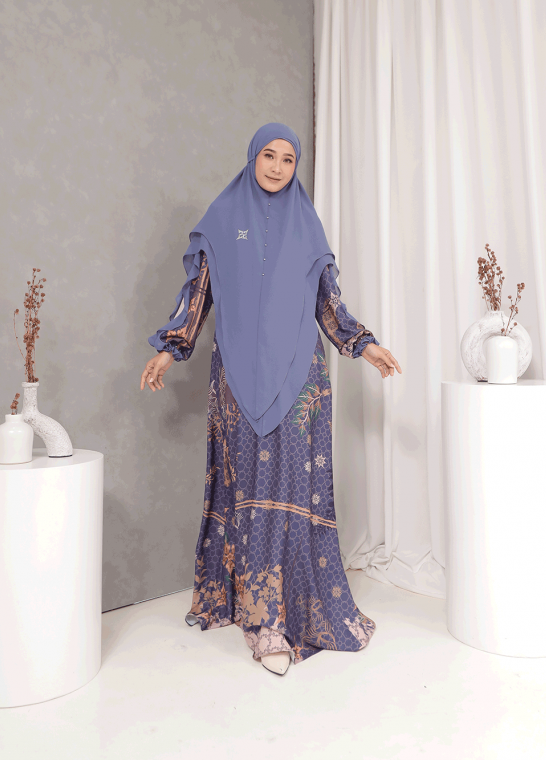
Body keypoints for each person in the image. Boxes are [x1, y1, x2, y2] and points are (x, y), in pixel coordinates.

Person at [141, 123, 402, 676]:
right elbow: (199, 294)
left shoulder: (307, 224)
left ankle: (287, 613)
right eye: (269, 155)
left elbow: (328, 303)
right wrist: (170, 348)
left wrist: (364, 345)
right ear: (252, 157)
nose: (278, 167)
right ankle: (261, 621)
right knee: (251, 493)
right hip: (236, 375)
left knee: (291, 491)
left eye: (288, 158)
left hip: (301, 378)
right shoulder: (222, 218)